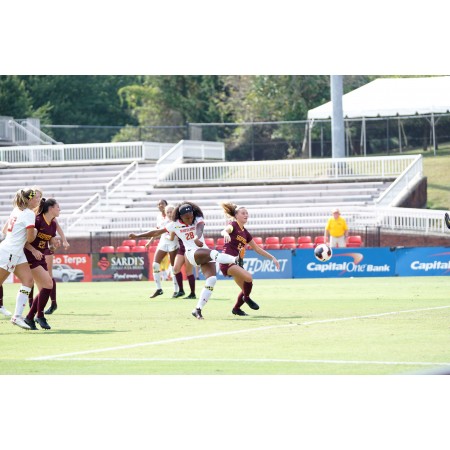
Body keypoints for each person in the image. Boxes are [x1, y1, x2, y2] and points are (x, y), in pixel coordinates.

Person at [129, 202, 241, 319]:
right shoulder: (174, 224)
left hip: (203, 251)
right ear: (180, 217)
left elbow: (200, 228)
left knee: (212, 280)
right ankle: (235, 259)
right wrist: (137, 236)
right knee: (213, 254)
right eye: (187, 217)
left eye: (191, 216)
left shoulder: (198, 218)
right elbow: (156, 232)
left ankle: (197, 309)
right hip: (192, 254)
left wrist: (197, 237)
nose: (190, 219)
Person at [219, 202, 280, 316]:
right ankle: (247, 298)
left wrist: (272, 257)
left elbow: (257, 248)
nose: (246, 215)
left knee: (245, 288)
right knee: (249, 277)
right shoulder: (233, 225)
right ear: (236, 215)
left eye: (247, 213)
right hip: (226, 260)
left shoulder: (246, 233)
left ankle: (236, 308)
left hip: (235, 262)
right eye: (243, 213)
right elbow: (225, 230)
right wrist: (225, 234)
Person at [0, 188, 42, 330]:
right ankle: (17, 316)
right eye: (36, 198)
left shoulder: (17, 209)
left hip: (14, 251)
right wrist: (35, 232)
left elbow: (5, 231)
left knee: (28, 281)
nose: (38, 200)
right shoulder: (29, 213)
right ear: (30, 200)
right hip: (10, 252)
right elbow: (30, 238)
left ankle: (17, 317)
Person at [23, 198, 62, 330]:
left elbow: (49, 243)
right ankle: (39, 316)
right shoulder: (37, 220)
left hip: (40, 256)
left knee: (46, 286)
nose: (59, 209)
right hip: (29, 256)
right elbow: (24, 240)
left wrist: (54, 245)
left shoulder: (52, 224)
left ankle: (30, 317)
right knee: (48, 284)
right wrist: (33, 250)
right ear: (50, 208)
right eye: (58, 207)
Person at [146, 204, 180, 299]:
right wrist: (150, 242)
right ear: (165, 213)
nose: (169, 213)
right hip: (163, 243)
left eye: (171, 212)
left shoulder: (177, 222)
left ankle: (176, 290)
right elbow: (156, 232)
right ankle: (158, 289)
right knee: (155, 265)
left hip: (173, 244)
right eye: (168, 212)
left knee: (174, 268)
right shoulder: (163, 222)